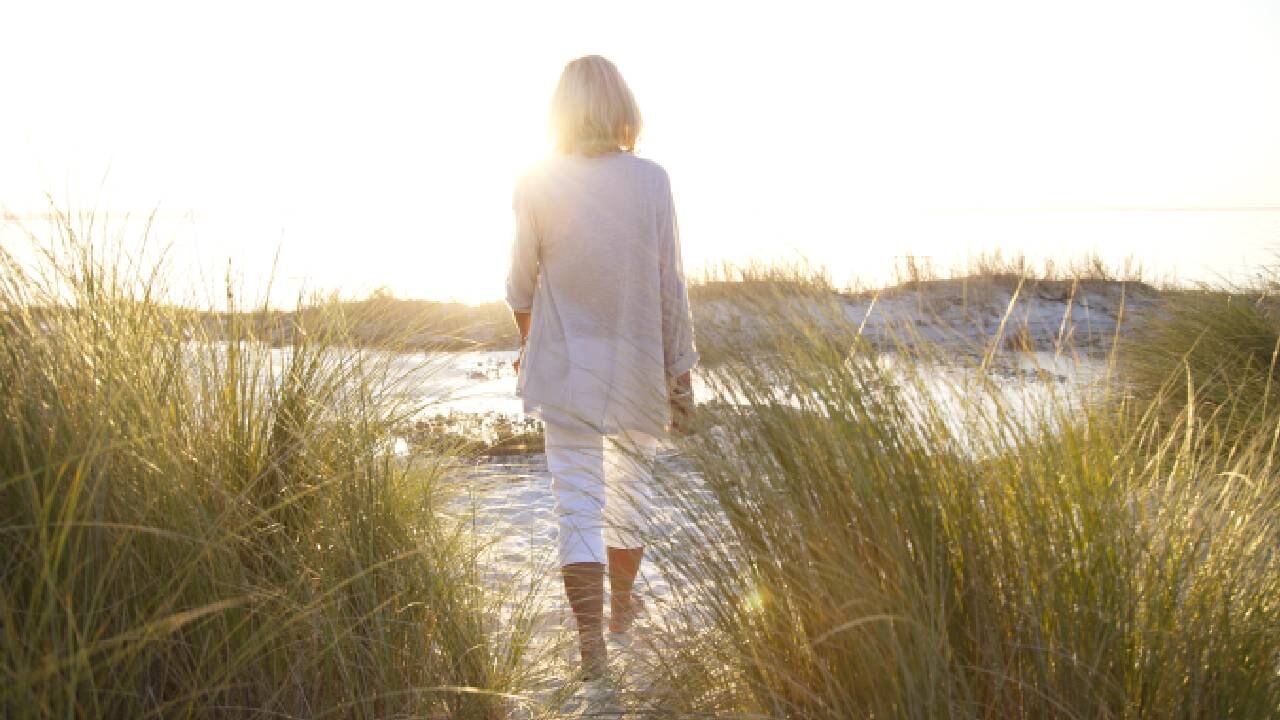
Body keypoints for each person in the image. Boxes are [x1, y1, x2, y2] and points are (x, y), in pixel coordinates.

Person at [505, 54, 698, 679]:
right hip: (638, 366)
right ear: (622, 110)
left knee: (577, 507)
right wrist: (680, 369)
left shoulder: (537, 180)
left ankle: (591, 648)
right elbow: (670, 284)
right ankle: (619, 615)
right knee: (630, 499)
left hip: (564, 372)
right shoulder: (651, 180)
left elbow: (519, 286)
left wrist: (533, 342)